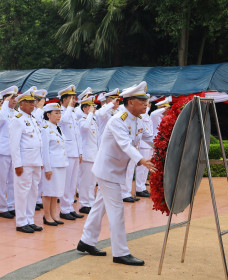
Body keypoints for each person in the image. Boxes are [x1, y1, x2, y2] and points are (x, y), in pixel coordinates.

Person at [77, 81, 156, 266]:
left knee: (99, 207)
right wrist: (142, 160)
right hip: (107, 171)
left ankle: (86, 241)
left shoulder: (137, 119)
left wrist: (165, 145)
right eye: (141, 100)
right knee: (117, 211)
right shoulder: (117, 120)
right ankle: (120, 252)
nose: (145, 103)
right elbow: (125, 144)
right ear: (130, 102)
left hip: (114, 169)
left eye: (146, 100)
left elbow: (148, 138)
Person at [9, 88, 43, 233]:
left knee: (33, 192)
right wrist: (17, 164)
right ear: (21, 104)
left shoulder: (32, 119)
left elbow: (38, 142)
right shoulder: (17, 120)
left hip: (35, 162)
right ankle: (21, 221)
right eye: (28, 102)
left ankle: (30, 219)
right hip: (24, 163)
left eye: (33, 102)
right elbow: (14, 145)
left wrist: (40, 162)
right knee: (22, 192)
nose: (32, 105)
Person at [58, 85, 84, 221]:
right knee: (66, 182)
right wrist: (68, 107)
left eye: (74, 98)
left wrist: (80, 152)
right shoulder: (61, 112)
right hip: (66, 153)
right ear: (64, 99)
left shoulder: (73, 113)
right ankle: (64, 208)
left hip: (75, 152)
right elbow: (63, 121)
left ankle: (69, 207)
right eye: (71, 98)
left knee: (73, 182)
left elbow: (77, 135)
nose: (74, 100)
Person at [40, 103, 68, 226]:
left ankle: (53, 214)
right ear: (48, 114)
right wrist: (47, 168)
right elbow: (44, 150)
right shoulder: (45, 129)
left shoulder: (58, 128)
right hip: (52, 165)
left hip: (61, 164)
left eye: (59, 113)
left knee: (56, 192)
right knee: (48, 191)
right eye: (56, 113)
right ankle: (47, 216)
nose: (59, 115)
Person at [0, 86, 18, 219]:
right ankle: (3, 207)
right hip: (3, 151)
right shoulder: (0, 112)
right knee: (2, 180)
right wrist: (4, 103)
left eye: (15, 98)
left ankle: (10, 205)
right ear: (4, 99)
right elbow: (2, 119)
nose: (14, 101)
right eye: (11, 98)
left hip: (13, 151)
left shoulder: (16, 113)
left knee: (12, 180)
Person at [77, 96, 98, 214]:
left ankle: (91, 201)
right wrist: (90, 114)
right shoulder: (82, 120)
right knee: (85, 181)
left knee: (92, 182)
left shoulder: (93, 120)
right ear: (85, 108)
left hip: (94, 154)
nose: (93, 109)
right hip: (86, 155)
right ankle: (84, 203)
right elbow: (84, 128)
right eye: (91, 106)